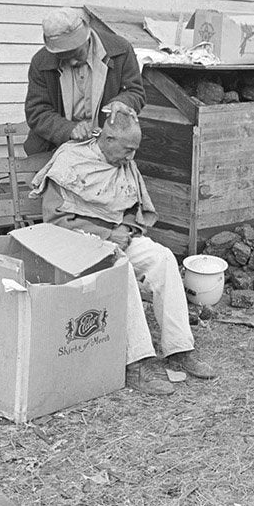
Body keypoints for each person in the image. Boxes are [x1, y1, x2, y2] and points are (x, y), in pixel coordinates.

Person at [29, 109, 216, 397]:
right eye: (127, 149)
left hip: (118, 236)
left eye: (135, 150)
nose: (131, 157)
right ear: (108, 138)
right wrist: (107, 235)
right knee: (122, 267)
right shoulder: (70, 160)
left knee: (163, 258)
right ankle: (136, 363)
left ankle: (179, 349)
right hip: (77, 242)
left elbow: (133, 207)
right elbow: (55, 222)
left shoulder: (124, 163)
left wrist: (126, 229)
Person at [23, 6, 145, 155]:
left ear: (86, 38)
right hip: (55, 146)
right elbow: (37, 111)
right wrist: (68, 129)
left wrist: (122, 102)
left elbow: (135, 91)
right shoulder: (41, 62)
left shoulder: (121, 50)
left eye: (75, 53)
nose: (72, 62)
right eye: (63, 56)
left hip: (105, 145)